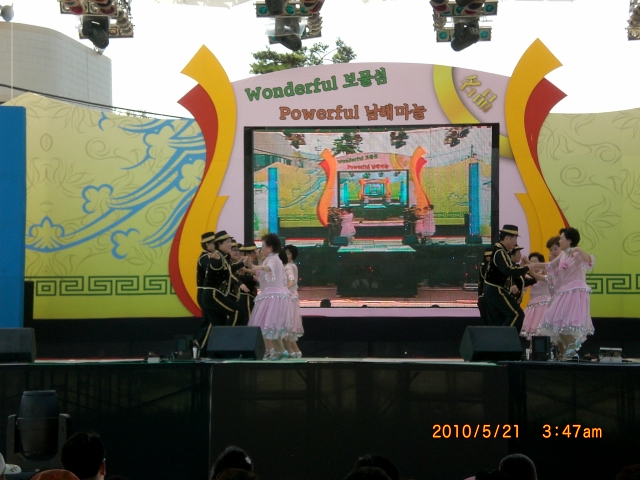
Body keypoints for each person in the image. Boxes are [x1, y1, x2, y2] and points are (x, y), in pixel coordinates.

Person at [538, 227, 594, 360]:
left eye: (562, 238)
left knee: (562, 321)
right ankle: (571, 350)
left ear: (569, 240)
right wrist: (532, 266)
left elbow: (589, 261)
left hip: (574, 292)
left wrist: (578, 249)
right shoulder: (563, 254)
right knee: (555, 323)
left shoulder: (577, 254)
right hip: (564, 292)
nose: (560, 241)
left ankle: (572, 347)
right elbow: (550, 265)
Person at [247, 233, 292, 360]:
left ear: (270, 247)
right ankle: (280, 350)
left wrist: (256, 265)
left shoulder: (273, 258)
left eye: (263, 246)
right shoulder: (270, 258)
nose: (261, 249)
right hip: (270, 294)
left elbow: (268, 268)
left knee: (269, 324)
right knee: (270, 325)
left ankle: (277, 350)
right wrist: (256, 263)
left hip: (272, 295)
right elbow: (261, 274)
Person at [199, 231, 247, 348]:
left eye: (230, 242)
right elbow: (216, 265)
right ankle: (226, 342)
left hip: (212, 295)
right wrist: (214, 260)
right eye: (228, 242)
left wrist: (242, 264)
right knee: (238, 312)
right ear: (219, 244)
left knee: (218, 325)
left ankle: (216, 351)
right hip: (213, 295)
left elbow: (228, 270)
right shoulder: (217, 257)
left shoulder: (223, 257)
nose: (230, 244)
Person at [483, 225, 530, 332]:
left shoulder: (501, 251)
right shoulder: (500, 252)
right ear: (507, 238)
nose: (515, 242)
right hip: (495, 289)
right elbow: (508, 270)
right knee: (517, 314)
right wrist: (527, 268)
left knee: (502, 318)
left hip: (493, 290)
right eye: (515, 239)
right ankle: (504, 338)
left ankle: (501, 339)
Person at [520, 252, 551, 341]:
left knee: (546, 331)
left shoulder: (546, 272)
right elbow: (523, 289)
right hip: (532, 308)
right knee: (532, 333)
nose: (532, 264)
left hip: (545, 305)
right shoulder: (528, 276)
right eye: (531, 262)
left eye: (535, 262)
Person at [283, 244, 303, 358]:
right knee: (286, 329)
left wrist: (284, 289)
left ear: (293, 255)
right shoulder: (289, 266)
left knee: (287, 327)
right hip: (290, 297)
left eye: (289, 254)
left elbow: (292, 281)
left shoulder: (289, 267)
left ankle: (294, 352)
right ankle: (293, 352)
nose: (286, 256)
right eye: (285, 253)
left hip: (289, 298)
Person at [196, 231, 216, 339]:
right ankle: (201, 345)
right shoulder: (205, 257)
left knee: (211, 320)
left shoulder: (211, 256)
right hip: (204, 292)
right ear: (207, 244)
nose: (216, 245)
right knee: (208, 321)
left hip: (208, 292)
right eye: (214, 243)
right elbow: (211, 271)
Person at [477, 249, 493, 325]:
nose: (489, 258)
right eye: (488, 256)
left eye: (491, 256)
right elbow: (485, 277)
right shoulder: (483, 266)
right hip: (483, 293)